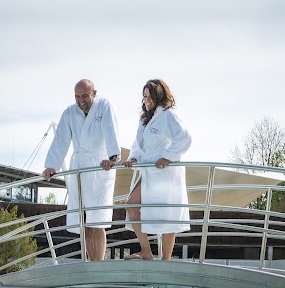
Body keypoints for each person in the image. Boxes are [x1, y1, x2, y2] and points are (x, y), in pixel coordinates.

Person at [43, 79, 121, 261]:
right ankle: (92, 261)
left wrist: (113, 157)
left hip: (101, 166)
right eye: (77, 96)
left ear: (94, 93)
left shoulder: (104, 106)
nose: (81, 100)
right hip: (79, 167)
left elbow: (111, 131)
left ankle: (98, 262)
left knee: (98, 219)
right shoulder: (70, 112)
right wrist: (51, 166)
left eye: (85, 96)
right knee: (83, 219)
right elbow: (60, 140)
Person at [121, 79, 192, 260]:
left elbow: (184, 138)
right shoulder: (144, 119)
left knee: (167, 214)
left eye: (150, 96)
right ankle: (146, 251)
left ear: (159, 96)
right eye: (144, 97)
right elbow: (138, 144)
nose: (147, 100)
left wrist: (168, 156)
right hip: (149, 172)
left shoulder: (168, 115)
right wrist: (133, 158)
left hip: (165, 174)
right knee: (131, 205)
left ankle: (165, 260)